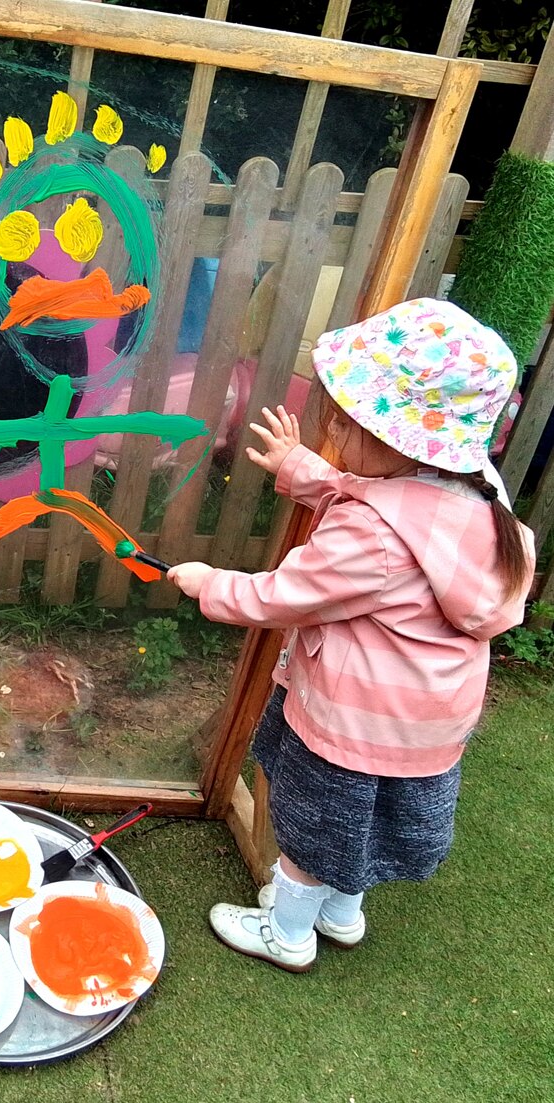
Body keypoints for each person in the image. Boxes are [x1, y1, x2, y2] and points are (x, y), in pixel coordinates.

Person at [168, 298, 535, 973]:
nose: (332, 424)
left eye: (346, 418)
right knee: (362, 821)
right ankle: (341, 913)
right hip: (423, 725)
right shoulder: (478, 497)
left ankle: (288, 931)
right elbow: (371, 492)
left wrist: (205, 582)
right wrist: (304, 469)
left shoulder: (372, 535)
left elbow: (282, 594)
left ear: (397, 438)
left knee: (313, 823)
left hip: (353, 720)